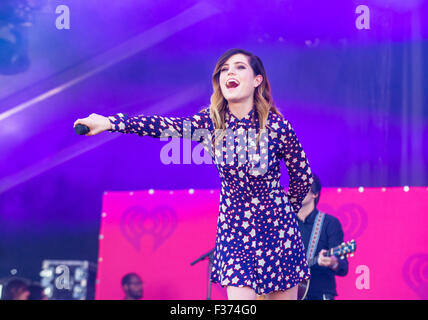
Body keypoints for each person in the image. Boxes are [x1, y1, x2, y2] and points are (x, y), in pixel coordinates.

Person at [74, 48, 313, 300]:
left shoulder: (276, 126)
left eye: (240, 67)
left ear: (257, 80)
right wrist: (111, 123)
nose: (230, 71)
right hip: (236, 234)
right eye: (224, 69)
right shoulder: (210, 124)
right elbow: (164, 127)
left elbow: (302, 176)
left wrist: (285, 210)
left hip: (277, 233)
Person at [296, 173, 349, 300]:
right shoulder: (285, 224)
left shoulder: (329, 223)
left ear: (315, 194)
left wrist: (333, 262)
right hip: (289, 294)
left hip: (319, 294)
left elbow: (343, 267)